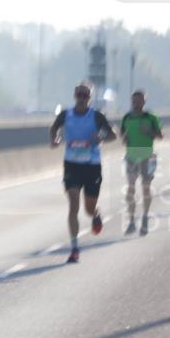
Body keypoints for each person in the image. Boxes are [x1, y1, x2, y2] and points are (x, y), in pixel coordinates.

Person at [49, 83, 117, 263]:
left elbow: (112, 135)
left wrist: (100, 137)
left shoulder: (96, 116)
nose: (81, 98)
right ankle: (74, 248)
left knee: (88, 209)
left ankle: (95, 215)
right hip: (71, 165)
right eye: (79, 94)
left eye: (85, 95)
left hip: (92, 166)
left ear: (89, 98)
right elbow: (54, 127)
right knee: (73, 205)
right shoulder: (66, 114)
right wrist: (54, 139)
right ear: (74, 96)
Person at [120, 90, 164, 236]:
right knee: (130, 189)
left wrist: (149, 131)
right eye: (134, 101)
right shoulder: (126, 117)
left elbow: (160, 136)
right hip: (131, 157)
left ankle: (144, 218)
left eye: (139, 101)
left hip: (148, 156)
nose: (136, 103)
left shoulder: (151, 117)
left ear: (144, 102)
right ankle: (132, 221)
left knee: (146, 187)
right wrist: (124, 139)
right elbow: (123, 134)